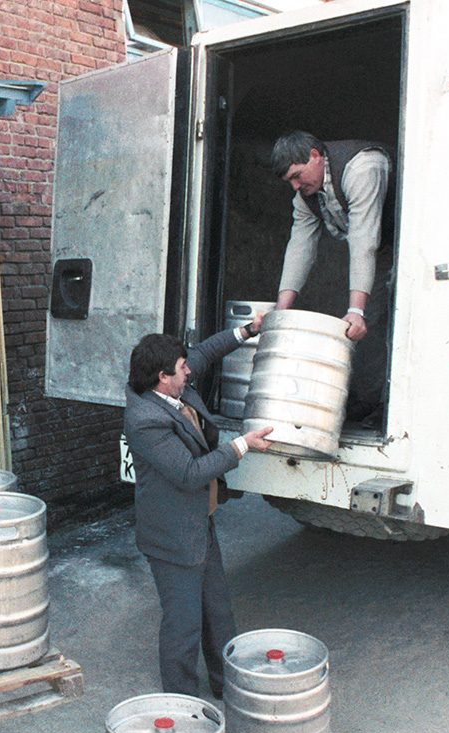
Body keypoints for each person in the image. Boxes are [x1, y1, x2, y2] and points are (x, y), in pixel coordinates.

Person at [124, 319, 274, 700]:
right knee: (184, 624)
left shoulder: (174, 388)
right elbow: (190, 474)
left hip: (198, 524)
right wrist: (241, 446)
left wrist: (248, 330)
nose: (189, 370)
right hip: (172, 537)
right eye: (181, 368)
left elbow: (204, 353)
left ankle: (227, 688)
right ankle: (182, 702)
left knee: (218, 613)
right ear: (162, 377)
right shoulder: (145, 420)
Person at [272, 130, 395, 422]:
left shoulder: (362, 167)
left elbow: (363, 239)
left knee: (391, 318)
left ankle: (391, 406)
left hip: (412, 242)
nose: (295, 186)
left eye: (297, 176)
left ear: (316, 156)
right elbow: (300, 248)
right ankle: (368, 402)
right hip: (381, 250)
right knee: (371, 323)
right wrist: (281, 311)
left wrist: (355, 309)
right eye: (289, 181)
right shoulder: (306, 193)